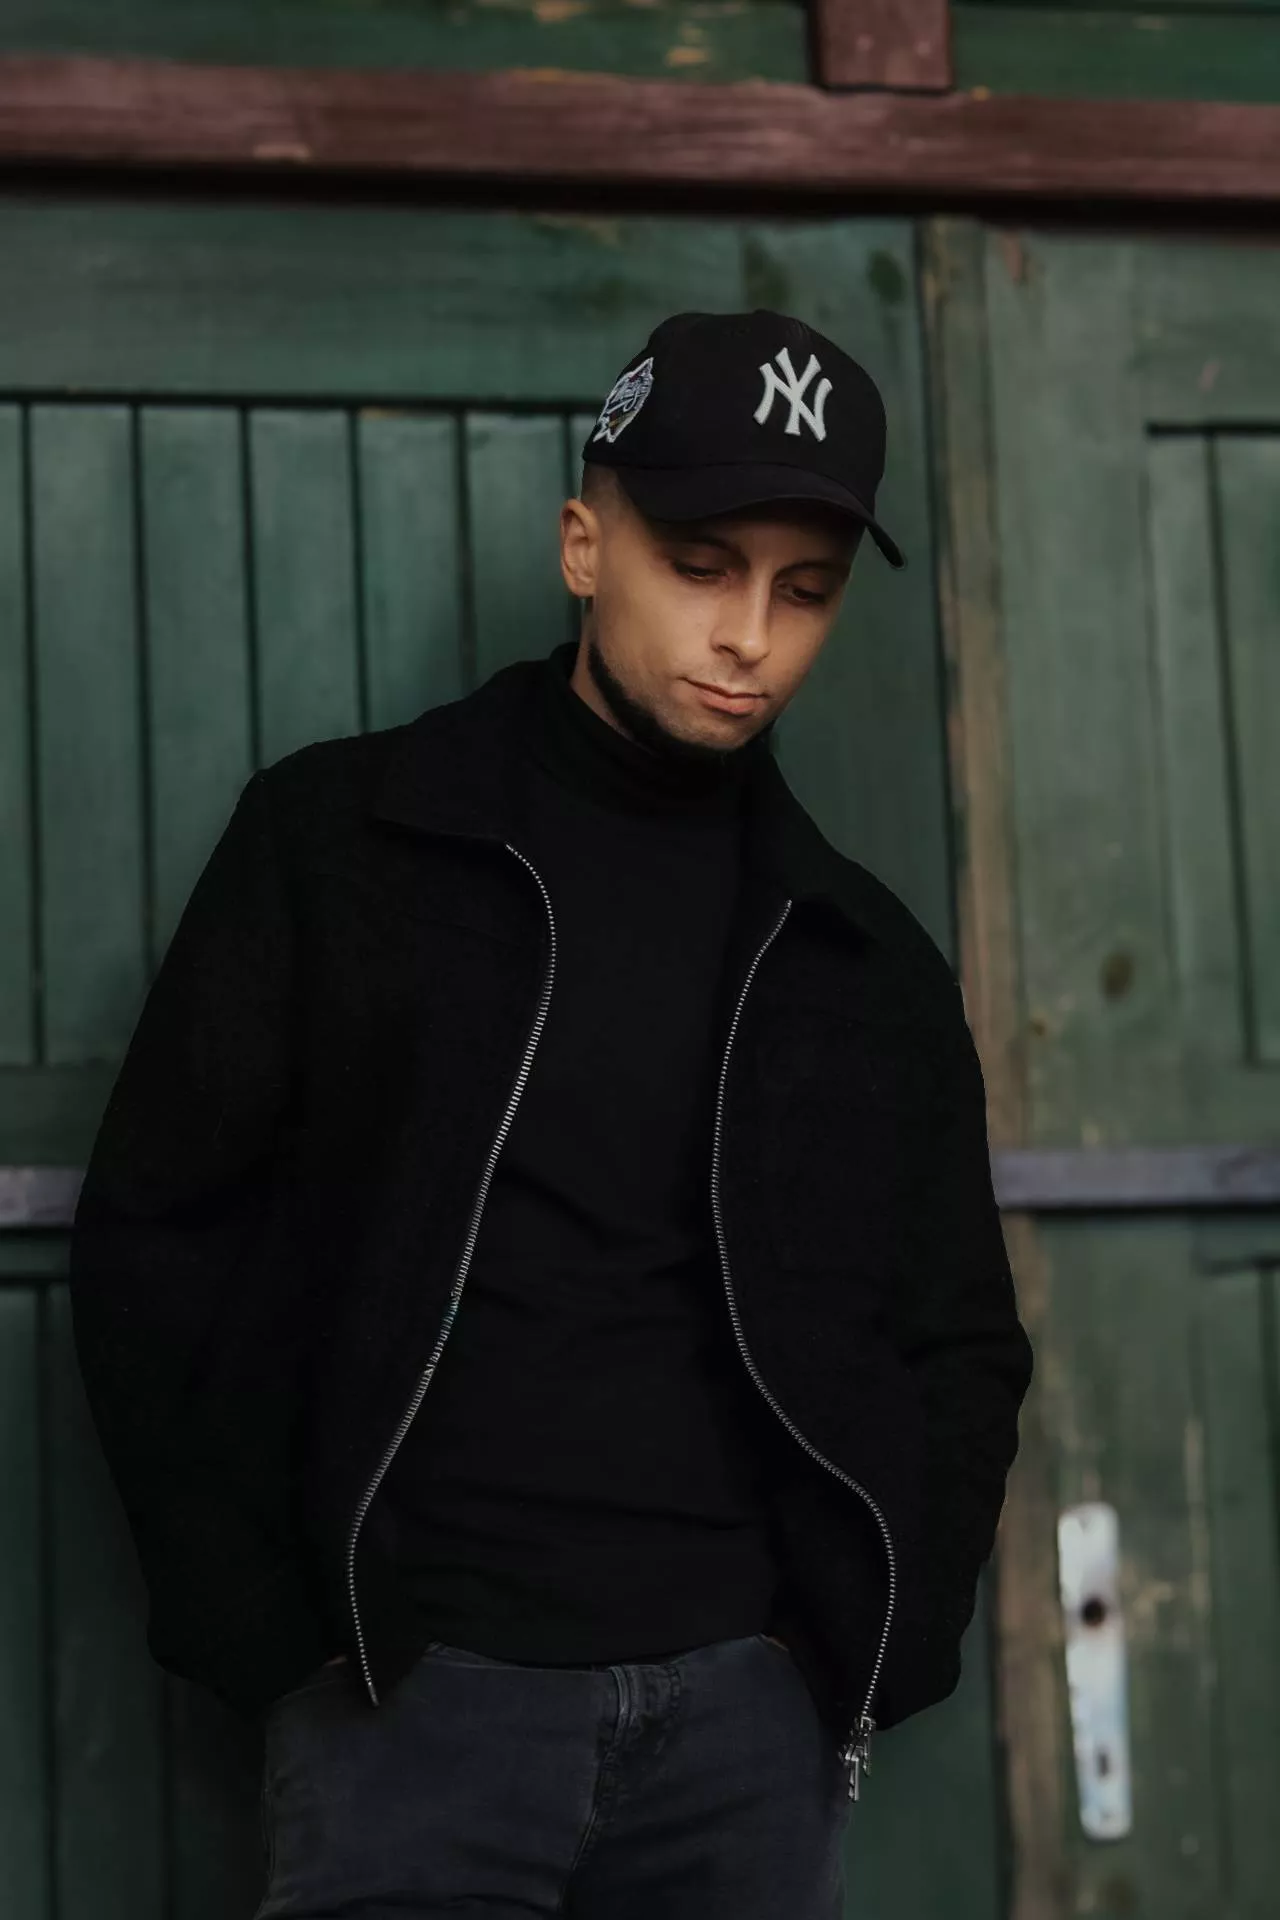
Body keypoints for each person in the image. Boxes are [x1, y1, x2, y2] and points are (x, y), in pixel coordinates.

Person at [68, 308, 1034, 1918]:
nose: (749, 637)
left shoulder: (859, 955)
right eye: (702, 567)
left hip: (745, 1724)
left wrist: (862, 1646)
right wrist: (275, 1638)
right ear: (586, 545)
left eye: (803, 592)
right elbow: (159, 1238)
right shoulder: (341, 847)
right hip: (414, 1706)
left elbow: (959, 1339)